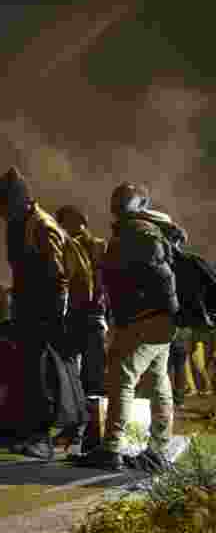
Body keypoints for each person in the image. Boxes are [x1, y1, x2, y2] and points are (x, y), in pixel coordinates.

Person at [76, 183, 182, 473]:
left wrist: (167, 309)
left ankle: (112, 448)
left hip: (146, 317)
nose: (115, 205)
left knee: (122, 375)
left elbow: (161, 273)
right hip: (155, 318)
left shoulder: (137, 231)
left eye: (120, 201)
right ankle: (158, 450)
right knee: (158, 382)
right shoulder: (144, 229)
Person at [0, 167, 70, 459]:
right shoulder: (19, 224)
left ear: (17, 201)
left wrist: (56, 315)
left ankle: (43, 439)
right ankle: (30, 434)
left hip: (43, 310)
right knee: (27, 375)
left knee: (40, 376)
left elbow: (59, 276)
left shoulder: (41, 226)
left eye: (2, 205)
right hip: (27, 308)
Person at [56, 205, 108, 395]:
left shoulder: (97, 246)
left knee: (88, 369)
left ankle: (86, 413)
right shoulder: (93, 246)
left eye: (65, 222)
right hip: (84, 313)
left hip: (88, 313)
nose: (63, 227)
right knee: (83, 366)